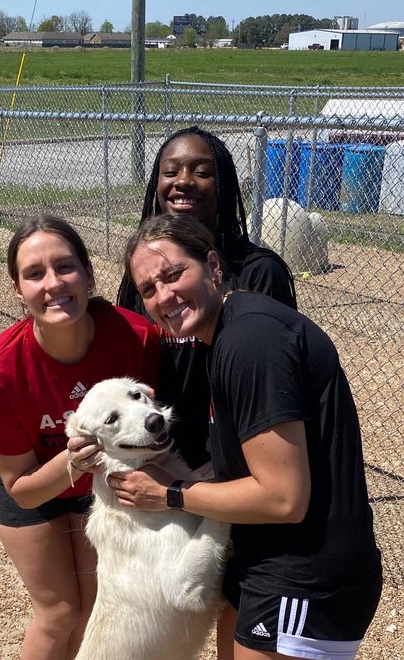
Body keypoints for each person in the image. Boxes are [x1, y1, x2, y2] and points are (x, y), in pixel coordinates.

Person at [112, 213, 382, 660]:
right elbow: (247, 473)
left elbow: (281, 495)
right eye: (149, 287)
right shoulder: (233, 335)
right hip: (271, 560)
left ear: (213, 266)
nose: (165, 294)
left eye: (174, 273)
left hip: (308, 568)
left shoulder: (251, 342)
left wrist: (168, 496)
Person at [0, 215, 172, 660]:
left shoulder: (134, 336)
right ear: (17, 289)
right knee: (58, 611)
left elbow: (153, 422)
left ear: (87, 273)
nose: (53, 283)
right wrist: (72, 460)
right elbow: (22, 487)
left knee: (104, 606)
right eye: (34, 274)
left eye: (64, 266)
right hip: (35, 480)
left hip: (102, 480)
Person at [115, 126, 297, 470]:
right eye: (170, 172)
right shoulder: (146, 275)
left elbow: (273, 379)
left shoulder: (257, 272)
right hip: (162, 449)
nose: (182, 181)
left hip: (236, 456)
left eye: (201, 172)